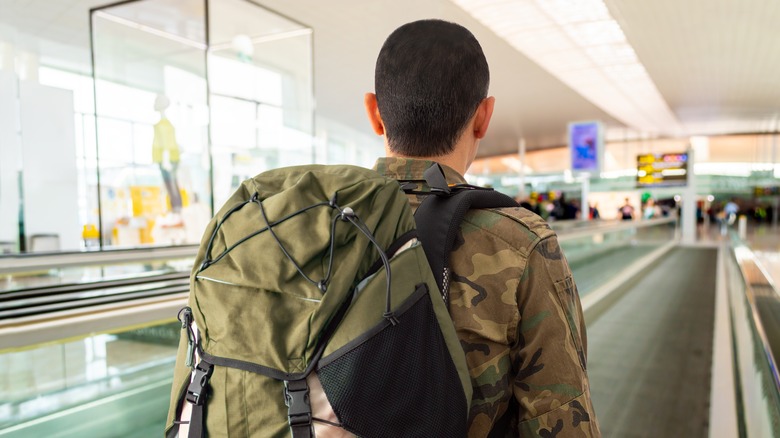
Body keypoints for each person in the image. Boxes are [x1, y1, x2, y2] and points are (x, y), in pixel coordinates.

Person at [364, 19, 600, 437]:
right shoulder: (520, 243)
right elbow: (562, 420)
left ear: (374, 113)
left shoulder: (307, 228)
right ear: (483, 117)